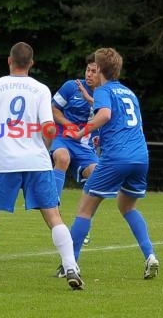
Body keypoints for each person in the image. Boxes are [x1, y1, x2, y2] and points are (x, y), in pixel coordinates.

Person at [0, 42, 84, 290]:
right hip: (35, 160)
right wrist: (44, 146)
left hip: (3, 162)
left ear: (9, 60)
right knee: (53, 216)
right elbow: (49, 127)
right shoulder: (40, 89)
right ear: (31, 63)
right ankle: (71, 266)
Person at [67, 47, 159, 280]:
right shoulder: (128, 92)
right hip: (140, 157)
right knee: (128, 207)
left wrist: (81, 132)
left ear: (100, 71)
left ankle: (70, 265)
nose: (91, 73)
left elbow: (105, 114)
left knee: (85, 209)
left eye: (94, 69)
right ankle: (150, 256)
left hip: (117, 157)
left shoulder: (102, 90)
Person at [51, 55, 100, 279]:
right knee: (61, 158)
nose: (90, 74)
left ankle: (84, 224)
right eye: (88, 70)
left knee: (98, 176)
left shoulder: (104, 95)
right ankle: (53, 203)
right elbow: (53, 109)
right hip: (64, 137)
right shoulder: (71, 86)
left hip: (86, 146)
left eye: (94, 71)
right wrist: (67, 124)